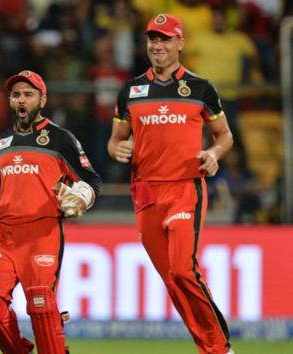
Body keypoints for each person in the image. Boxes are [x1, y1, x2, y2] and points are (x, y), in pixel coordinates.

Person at [107, 14, 234, 354]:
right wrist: (116, 147)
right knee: (172, 280)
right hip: (146, 191)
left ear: (180, 43)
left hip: (184, 188)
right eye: (153, 39)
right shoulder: (131, 90)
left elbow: (224, 136)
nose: (157, 46)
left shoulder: (201, 88)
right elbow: (115, 140)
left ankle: (220, 347)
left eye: (164, 39)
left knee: (183, 270)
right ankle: (209, 348)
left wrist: (214, 153)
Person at [0, 70, 101, 354]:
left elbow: (91, 179)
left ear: (42, 99)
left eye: (28, 94)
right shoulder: (2, 143)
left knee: (40, 304)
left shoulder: (60, 139)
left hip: (42, 232)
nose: (21, 100)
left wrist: (80, 198)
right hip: (3, 234)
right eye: (16, 95)